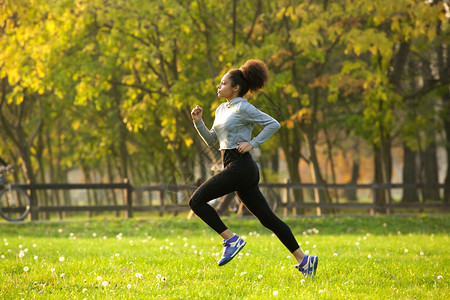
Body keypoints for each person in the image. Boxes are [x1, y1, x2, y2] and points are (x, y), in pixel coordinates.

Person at [189, 59, 318, 278]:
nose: (218, 87)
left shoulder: (243, 107)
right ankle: (305, 260)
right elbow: (213, 141)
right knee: (268, 219)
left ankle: (231, 240)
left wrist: (253, 143)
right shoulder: (221, 109)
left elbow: (273, 124)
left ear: (236, 87)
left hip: (242, 166)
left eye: (223, 83)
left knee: (196, 201)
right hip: (234, 166)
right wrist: (198, 122)